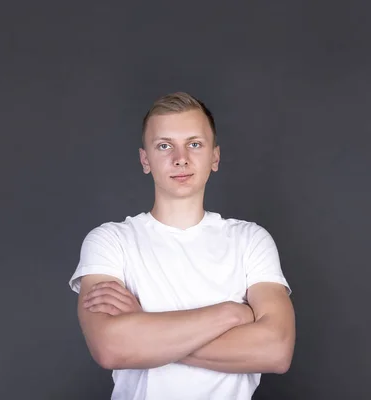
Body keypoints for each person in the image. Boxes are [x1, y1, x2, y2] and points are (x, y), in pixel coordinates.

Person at [68, 92, 296, 400]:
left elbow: (276, 350)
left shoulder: (250, 240)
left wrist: (146, 330)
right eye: (164, 145)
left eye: (194, 144)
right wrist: (231, 314)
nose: (180, 157)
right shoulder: (110, 241)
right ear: (145, 160)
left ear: (214, 157)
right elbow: (111, 348)